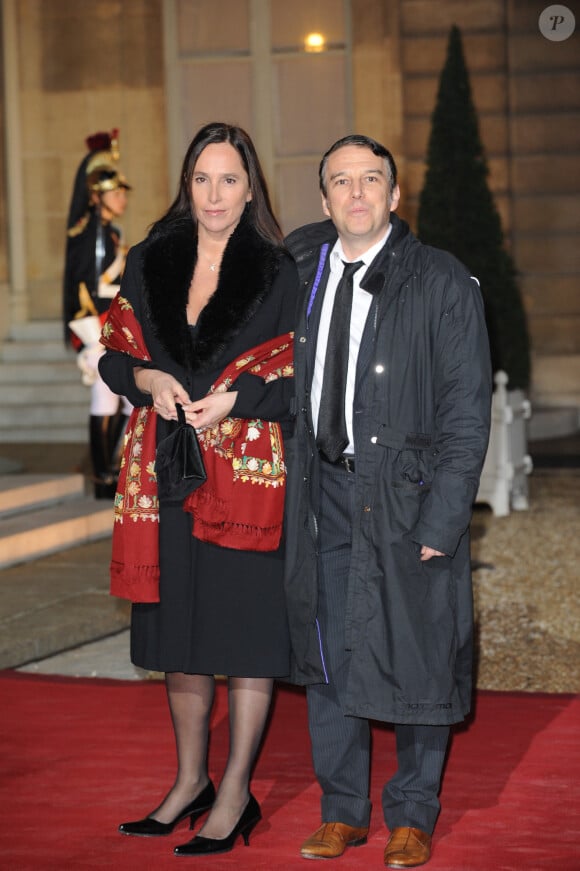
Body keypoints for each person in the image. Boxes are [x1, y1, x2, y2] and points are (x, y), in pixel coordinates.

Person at [283, 134, 492, 868]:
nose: (357, 193)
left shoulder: (440, 281)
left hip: (407, 499)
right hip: (324, 494)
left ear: (396, 195)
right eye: (341, 181)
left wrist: (445, 516)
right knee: (331, 655)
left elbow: (469, 414)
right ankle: (342, 810)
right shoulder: (305, 274)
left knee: (417, 651)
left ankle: (412, 812)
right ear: (325, 199)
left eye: (372, 179)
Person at [98, 122, 297, 857]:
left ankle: (236, 789)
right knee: (178, 635)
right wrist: (147, 377)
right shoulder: (149, 261)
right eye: (203, 179)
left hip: (244, 478)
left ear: (251, 190)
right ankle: (189, 780)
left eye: (230, 180)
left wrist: (238, 398)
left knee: (243, 634)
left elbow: (298, 378)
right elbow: (117, 358)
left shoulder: (279, 272)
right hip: (163, 470)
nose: (215, 195)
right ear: (187, 185)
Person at [63, 129, 132, 498]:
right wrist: (94, 336)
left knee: (119, 399)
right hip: (99, 329)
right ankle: (104, 475)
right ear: (96, 196)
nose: (122, 199)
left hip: (112, 327)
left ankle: (109, 469)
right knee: (108, 399)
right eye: (115, 193)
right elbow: (86, 290)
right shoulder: (91, 235)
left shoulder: (110, 233)